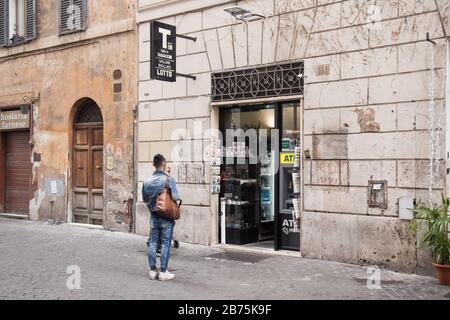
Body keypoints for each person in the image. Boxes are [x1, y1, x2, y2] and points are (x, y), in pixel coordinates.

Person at [142, 154, 180, 281]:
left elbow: (145, 199)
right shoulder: (168, 180)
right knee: (165, 244)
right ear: (164, 164)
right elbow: (175, 197)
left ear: (154, 165)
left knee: (153, 243)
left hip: (153, 216)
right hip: (166, 217)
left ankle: (152, 271)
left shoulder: (146, 181)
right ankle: (163, 271)